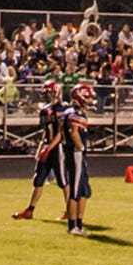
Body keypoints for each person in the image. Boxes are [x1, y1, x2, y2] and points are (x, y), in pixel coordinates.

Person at [12, 87, 63, 221]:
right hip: (48, 145)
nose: (46, 95)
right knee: (38, 179)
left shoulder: (62, 109)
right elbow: (47, 130)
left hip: (59, 148)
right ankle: (30, 209)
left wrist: (48, 148)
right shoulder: (45, 110)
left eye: (48, 93)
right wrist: (42, 145)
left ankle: (70, 210)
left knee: (63, 181)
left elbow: (60, 133)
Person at [55, 77, 93, 235]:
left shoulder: (67, 113)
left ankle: (78, 223)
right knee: (75, 191)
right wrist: (81, 146)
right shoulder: (76, 114)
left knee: (84, 190)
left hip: (70, 152)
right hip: (75, 153)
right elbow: (73, 132)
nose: (90, 100)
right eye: (88, 96)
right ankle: (72, 226)